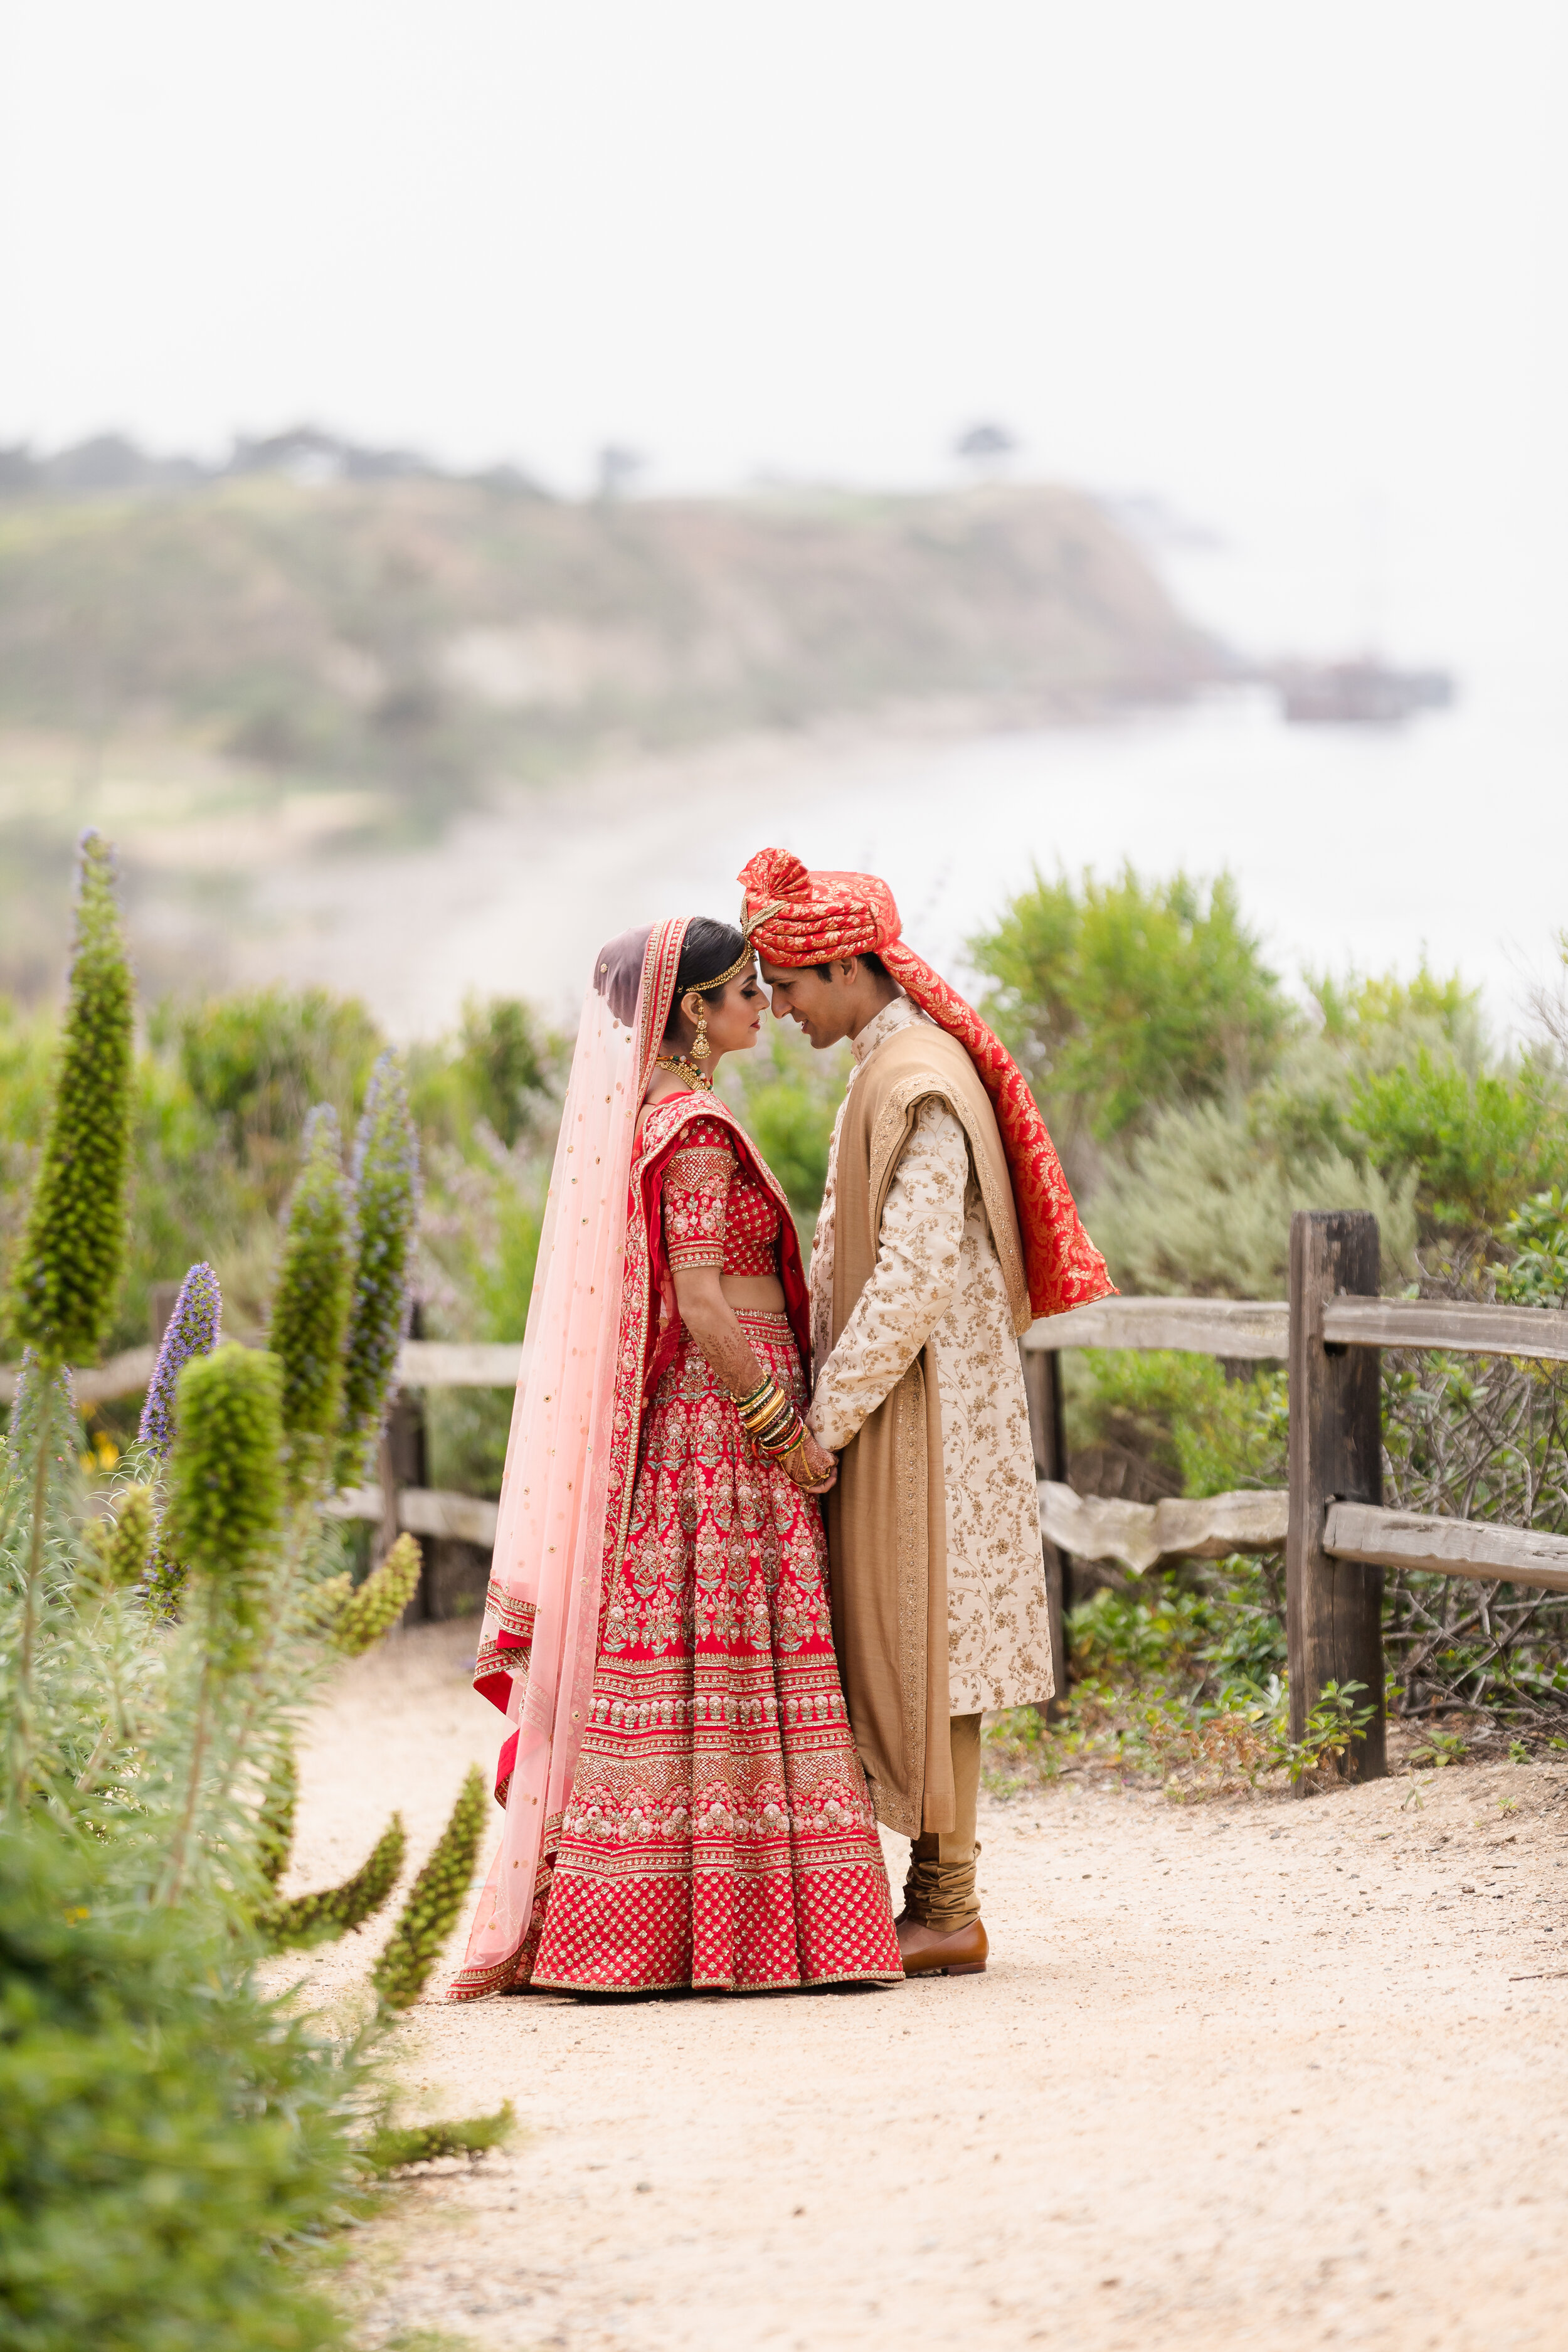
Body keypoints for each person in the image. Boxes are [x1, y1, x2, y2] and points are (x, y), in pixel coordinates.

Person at [450, 915, 903, 1998]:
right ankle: (730, 1930)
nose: (765, 1006)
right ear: (694, 1010)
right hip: (721, 1433)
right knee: (736, 1651)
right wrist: (781, 1425)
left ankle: (665, 1925)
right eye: (747, 990)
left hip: (708, 1423)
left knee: (705, 1658)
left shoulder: (654, 1118)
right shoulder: (693, 1128)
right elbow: (700, 1299)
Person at [738, 847, 1114, 1978]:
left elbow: (907, 1281)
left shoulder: (917, 1079)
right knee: (926, 1641)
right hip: (917, 1401)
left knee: (937, 1639)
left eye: (792, 982)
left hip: (934, 1413)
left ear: (848, 965)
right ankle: (935, 1899)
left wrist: (823, 1423)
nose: (782, 1007)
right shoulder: (890, 1065)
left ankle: (947, 1906)